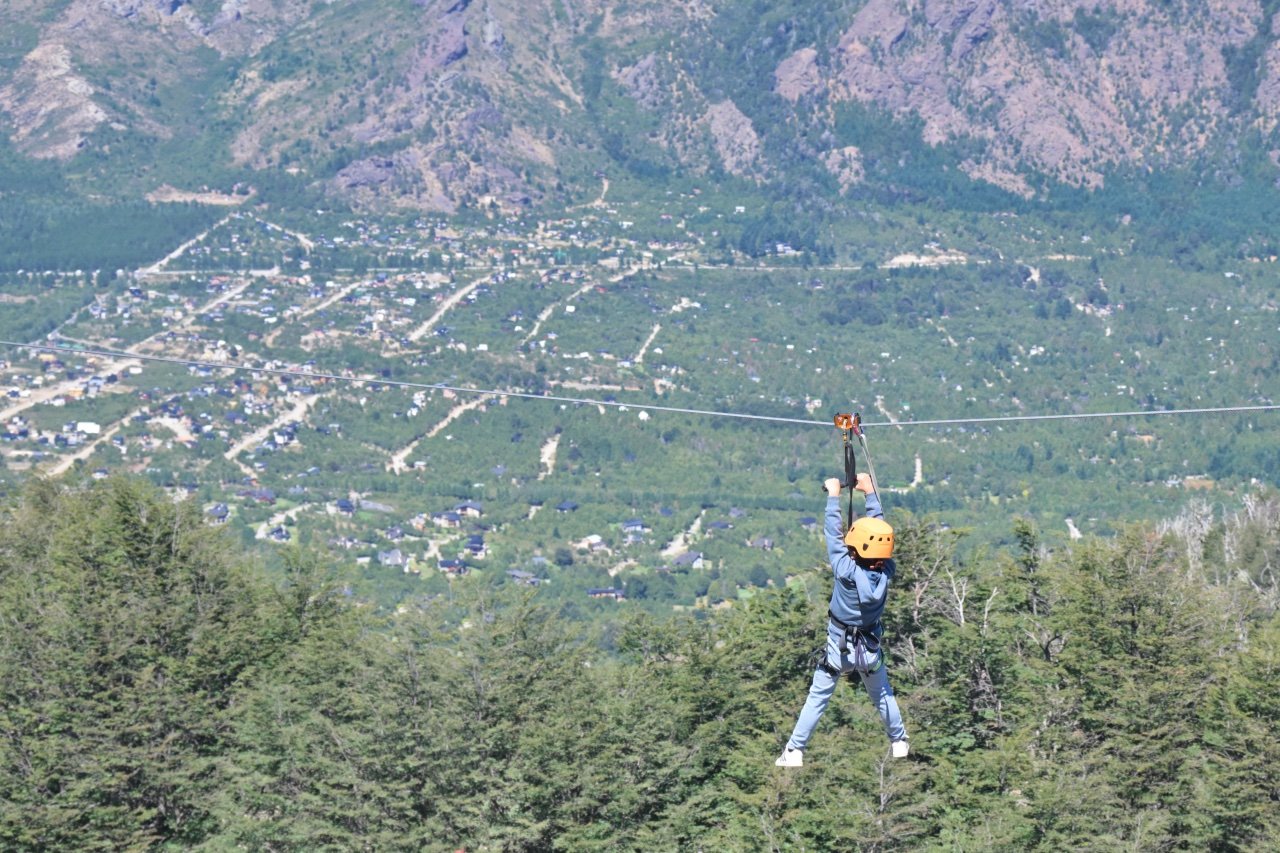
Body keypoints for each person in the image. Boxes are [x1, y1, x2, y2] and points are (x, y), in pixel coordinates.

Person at [776, 472, 908, 767]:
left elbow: (833, 535)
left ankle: (795, 750)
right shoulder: (887, 570)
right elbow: (879, 537)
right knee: (882, 693)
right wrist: (870, 492)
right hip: (869, 647)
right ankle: (899, 740)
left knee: (818, 696)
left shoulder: (845, 571)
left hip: (839, 648)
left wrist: (833, 496)